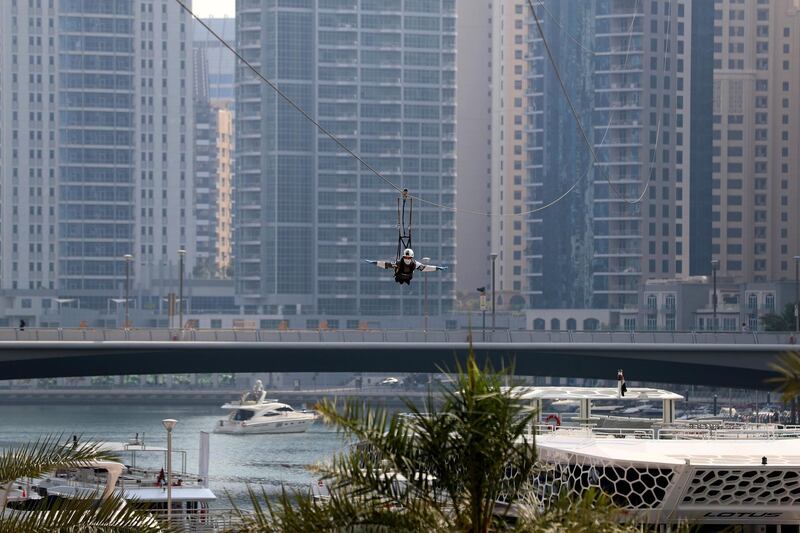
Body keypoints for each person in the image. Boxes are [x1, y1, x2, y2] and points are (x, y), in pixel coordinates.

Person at [366, 248, 446, 285]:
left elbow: (425, 268)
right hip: (399, 277)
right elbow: (386, 264)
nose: (407, 259)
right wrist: (375, 262)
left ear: (412, 257)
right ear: (403, 257)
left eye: (409, 258)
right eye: (406, 257)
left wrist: (437, 268)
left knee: (406, 280)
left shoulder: (415, 264)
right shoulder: (398, 263)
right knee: (399, 280)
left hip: (408, 278)